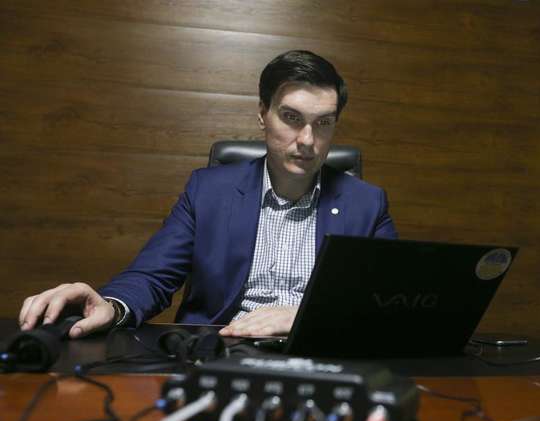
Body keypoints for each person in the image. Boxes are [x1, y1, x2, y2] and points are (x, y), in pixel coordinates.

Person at [17, 50, 397, 339]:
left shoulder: (367, 203)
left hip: (317, 354)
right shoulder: (208, 191)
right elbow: (152, 276)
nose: (308, 140)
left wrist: (304, 316)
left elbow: (388, 305)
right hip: (219, 350)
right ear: (263, 114)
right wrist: (112, 307)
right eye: (292, 117)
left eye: (323, 123)